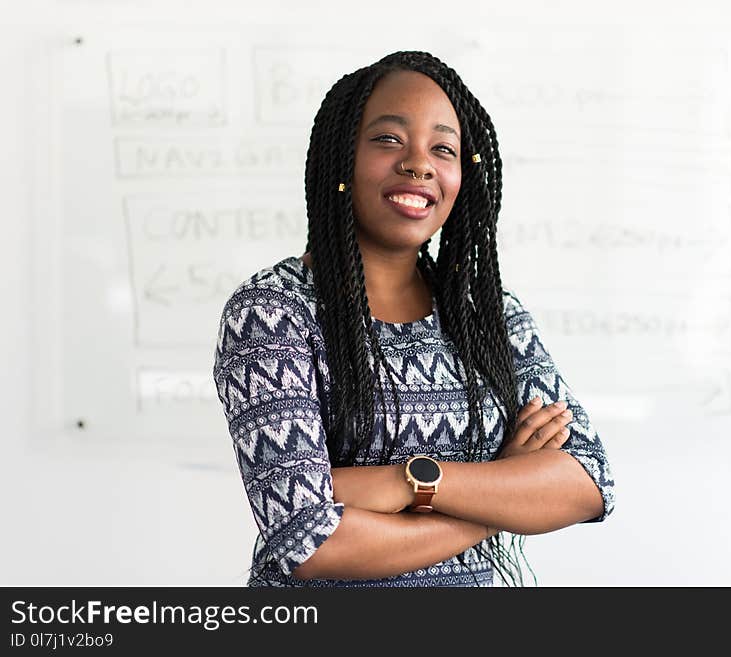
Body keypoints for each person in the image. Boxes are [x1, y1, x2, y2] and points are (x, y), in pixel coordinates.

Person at [212, 50, 615, 587]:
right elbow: (311, 542)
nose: (419, 164)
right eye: (387, 139)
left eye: (443, 148)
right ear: (341, 160)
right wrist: (501, 490)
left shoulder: (489, 317)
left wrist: (413, 482)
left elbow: (589, 483)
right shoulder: (273, 312)